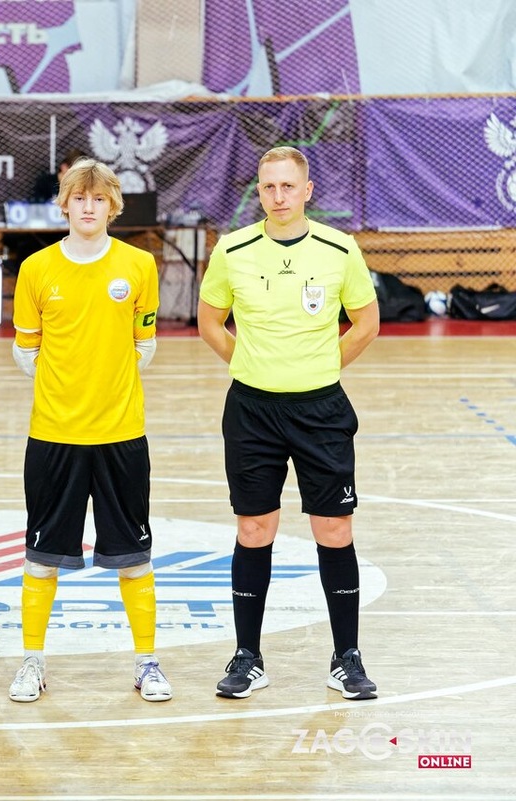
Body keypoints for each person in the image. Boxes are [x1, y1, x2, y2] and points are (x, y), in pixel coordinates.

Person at [197, 146, 381, 701]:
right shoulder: (232, 249)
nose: (278, 196)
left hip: (321, 411)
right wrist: (251, 366)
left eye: (287, 186)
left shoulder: (339, 248)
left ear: (307, 191)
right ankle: (247, 657)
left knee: (334, 529)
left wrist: (320, 368)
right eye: (268, 186)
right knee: (254, 530)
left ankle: (346, 657)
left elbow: (366, 323)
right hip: (251, 411)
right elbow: (211, 322)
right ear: (259, 191)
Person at [8, 158, 170, 704]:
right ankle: (32, 661)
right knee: (40, 558)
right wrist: (70, 387)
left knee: (135, 557)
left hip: (122, 434)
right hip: (54, 435)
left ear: (113, 206)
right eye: (78, 197)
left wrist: (106, 385)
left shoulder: (139, 265)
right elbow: (26, 352)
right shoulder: (36, 269)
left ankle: (146, 662)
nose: (88, 207)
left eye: (98, 199)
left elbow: (144, 345)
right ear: (64, 203)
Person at [3, 148, 88, 272]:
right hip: (42, 232)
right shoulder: (45, 182)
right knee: (26, 245)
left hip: (68, 232)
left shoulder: (84, 188)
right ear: (64, 167)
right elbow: (36, 207)